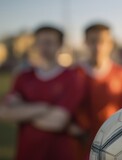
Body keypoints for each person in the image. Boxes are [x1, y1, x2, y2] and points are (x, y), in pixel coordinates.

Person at [0, 25, 85, 160]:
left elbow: (57, 122)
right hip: (26, 154)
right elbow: (4, 112)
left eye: (49, 42)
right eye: (40, 42)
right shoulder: (23, 76)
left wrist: (22, 111)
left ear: (59, 45)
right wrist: (44, 108)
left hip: (61, 154)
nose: (44, 47)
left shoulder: (73, 77)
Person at [74, 23, 122, 157]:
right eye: (92, 41)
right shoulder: (74, 74)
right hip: (80, 147)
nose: (97, 47)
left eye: (102, 42)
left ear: (110, 44)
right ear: (85, 42)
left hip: (115, 145)